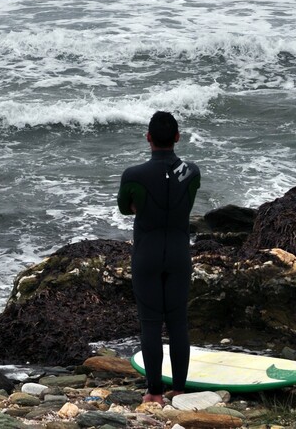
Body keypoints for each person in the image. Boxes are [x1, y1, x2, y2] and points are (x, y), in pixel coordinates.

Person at [117, 111, 200, 405]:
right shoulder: (191, 171)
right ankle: (179, 390)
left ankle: (154, 392)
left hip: (147, 255)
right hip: (178, 253)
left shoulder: (133, 175)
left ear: (148, 138)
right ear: (177, 137)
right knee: (178, 322)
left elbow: (125, 208)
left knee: (150, 323)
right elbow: (186, 200)